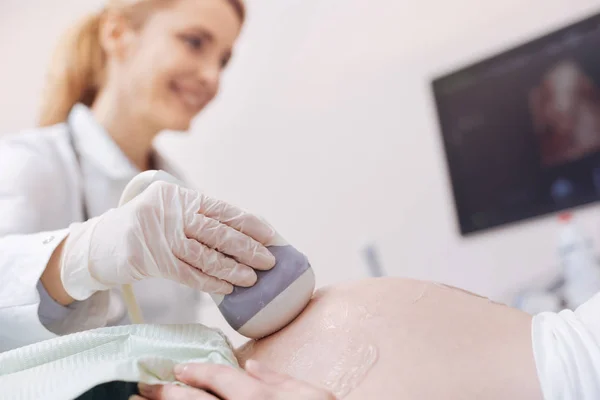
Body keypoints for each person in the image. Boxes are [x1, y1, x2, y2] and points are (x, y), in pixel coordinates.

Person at [0, 0, 277, 350]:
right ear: (117, 35)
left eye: (223, 60)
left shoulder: (178, 193)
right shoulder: (29, 164)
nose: (212, 76)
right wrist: (84, 256)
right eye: (194, 42)